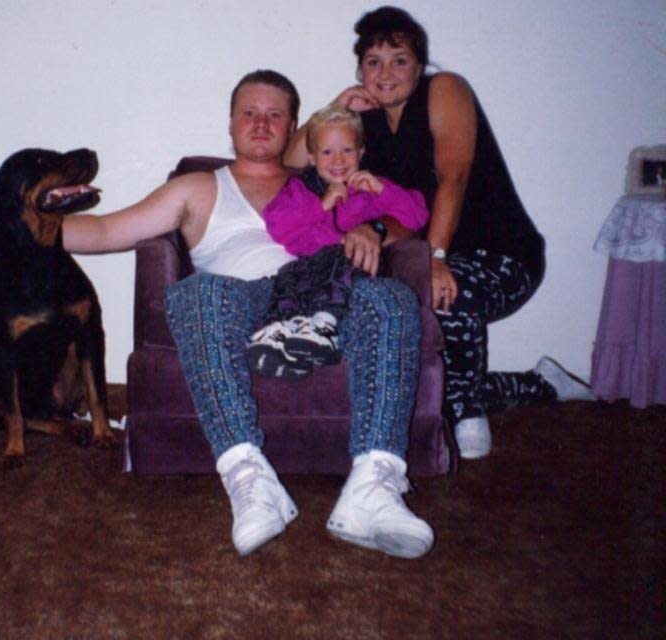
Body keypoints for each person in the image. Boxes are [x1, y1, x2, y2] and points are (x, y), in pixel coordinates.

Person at [62, 69, 434, 558]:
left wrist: (376, 229)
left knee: (391, 299)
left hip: (325, 300)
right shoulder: (198, 185)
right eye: (249, 113)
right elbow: (108, 230)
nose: (261, 123)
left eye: (275, 114)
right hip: (243, 304)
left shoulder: (324, 178)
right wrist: (25, 233)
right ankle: (250, 480)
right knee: (195, 294)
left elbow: (406, 215)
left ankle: (373, 488)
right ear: (231, 124)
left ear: (292, 128)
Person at [285, 6, 595, 460]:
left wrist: (437, 255)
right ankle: (539, 382)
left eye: (399, 59)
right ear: (359, 70)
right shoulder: (363, 125)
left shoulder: (443, 89)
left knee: (443, 297)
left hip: (501, 253)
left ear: (420, 65)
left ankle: (469, 416)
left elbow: (454, 175)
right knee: (418, 378)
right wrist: (335, 105)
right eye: (373, 62)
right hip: (427, 253)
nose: (385, 72)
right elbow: (295, 162)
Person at [246, 104, 429, 379]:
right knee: (287, 276)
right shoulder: (301, 189)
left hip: (353, 265)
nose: (338, 160)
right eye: (327, 152)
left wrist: (383, 190)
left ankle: (324, 326)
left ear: (361, 153)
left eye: (347, 151)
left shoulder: (370, 189)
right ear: (312, 157)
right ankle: (279, 333)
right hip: (309, 264)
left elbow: (418, 215)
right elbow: (278, 226)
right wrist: (321, 206)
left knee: (340, 256)